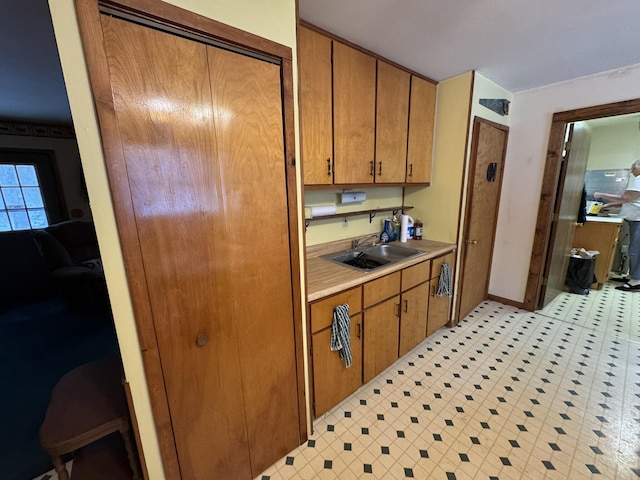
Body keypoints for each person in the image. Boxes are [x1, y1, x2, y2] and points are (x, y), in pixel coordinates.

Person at [595, 159, 640, 291]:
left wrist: (600, 194)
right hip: (635, 220)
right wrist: (610, 205)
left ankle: (636, 281)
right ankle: (634, 277)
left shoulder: (639, 180)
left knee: (635, 251)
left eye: (633, 168)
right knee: (635, 250)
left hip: (638, 220)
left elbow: (625, 198)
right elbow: (631, 201)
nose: (631, 171)